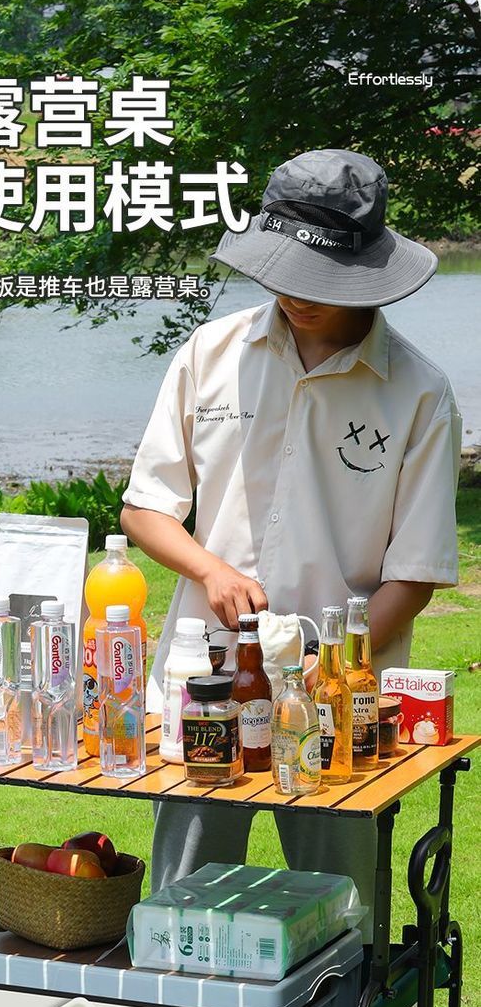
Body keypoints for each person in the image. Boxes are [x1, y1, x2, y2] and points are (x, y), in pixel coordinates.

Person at [121, 148, 461, 928]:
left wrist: (323, 672)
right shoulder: (210, 355)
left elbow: (414, 575)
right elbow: (145, 510)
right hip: (207, 680)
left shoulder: (418, 392)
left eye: (320, 279)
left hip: (339, 695)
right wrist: (210, 569)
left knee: (343, 912)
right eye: (285, 272)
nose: (295, 295)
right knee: (184, 907)